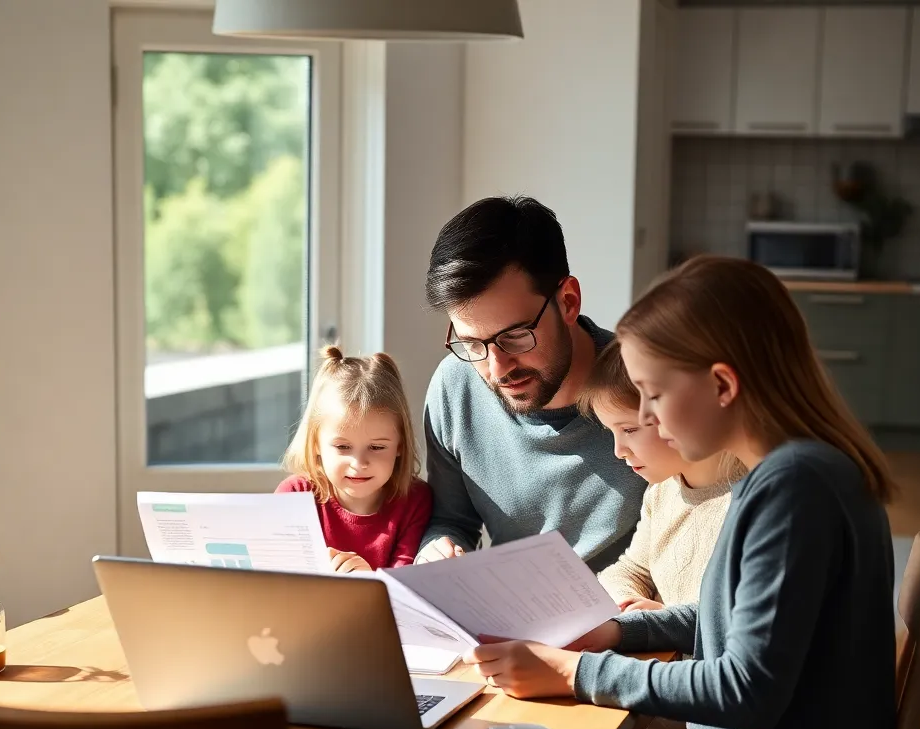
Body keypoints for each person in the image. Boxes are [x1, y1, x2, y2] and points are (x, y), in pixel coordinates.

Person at [463, 255, 898, 729]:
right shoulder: (795, 473)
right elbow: (719, 616)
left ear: (723, 386)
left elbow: (746, 685)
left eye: (658, 395)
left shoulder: (792, 488)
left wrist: (579, 670)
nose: (651, 420)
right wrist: (618, 629)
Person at [417, 196, 645, 573]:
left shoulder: (647, 388)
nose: (497, 367)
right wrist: (438, 550)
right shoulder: (454, 386)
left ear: (568, 301)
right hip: (512, 618)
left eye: (516, 336)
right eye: (473, 343)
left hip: (624, 620)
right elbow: (452, 521)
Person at [587, 341, 744, 613]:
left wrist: (661, 619)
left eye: (630, 429)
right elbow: (631, 569)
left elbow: (736, 619)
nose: (618, 451)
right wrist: (630, 604)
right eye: (610, 431)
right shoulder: (662, 492)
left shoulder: (752, 500)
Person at [277, 346, 432, 572]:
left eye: (377, 447)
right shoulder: (294, 496)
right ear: (315, 444)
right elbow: (276, 578)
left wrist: (368, 581)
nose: (359, 463)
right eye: (343, 446)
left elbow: (404, 590)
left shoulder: (416, 501)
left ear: (400, 445)